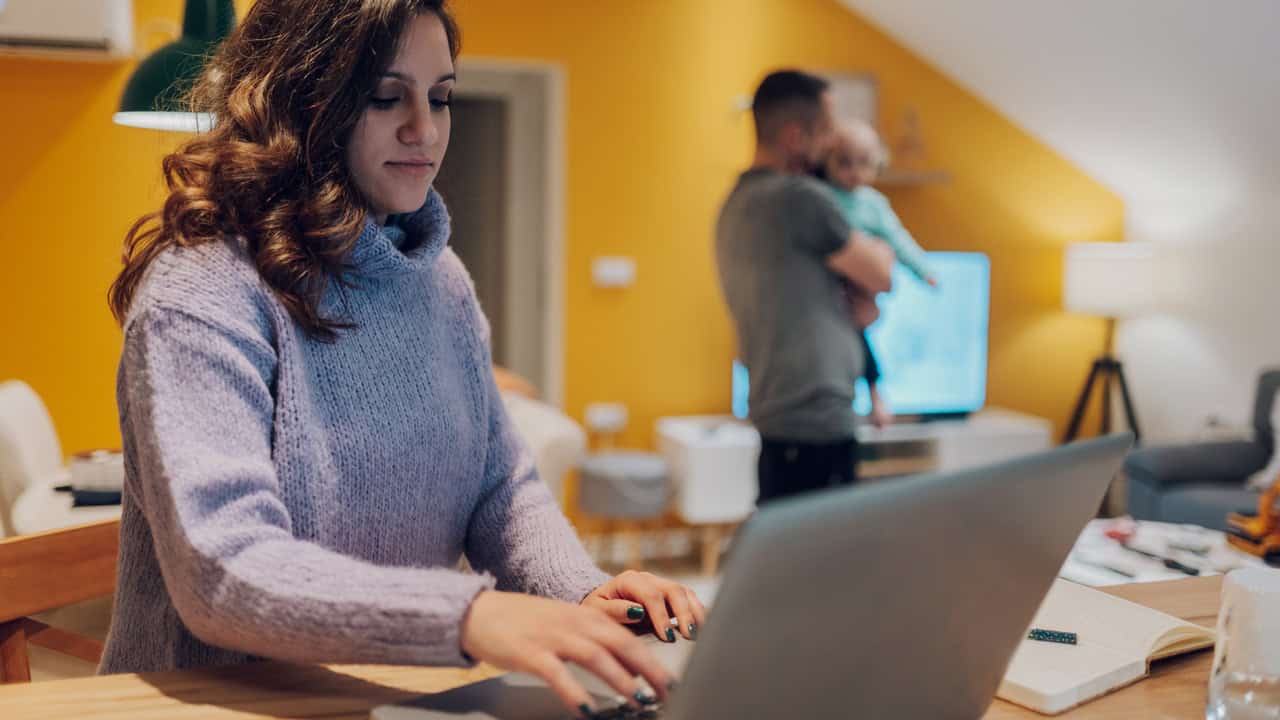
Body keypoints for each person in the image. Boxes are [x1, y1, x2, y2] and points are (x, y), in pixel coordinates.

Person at [101, 2, 701, 716]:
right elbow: (223, 570)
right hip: (213, 706)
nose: (426, 129)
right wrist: (469, 616)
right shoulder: (203, 289)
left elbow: (499, 489)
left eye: (440, 96)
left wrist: (580, 590)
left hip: (392, 700)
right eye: (388, 97)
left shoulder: (441, 283)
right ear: (303, 101)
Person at [715, 70, 895, 505]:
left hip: (778, 417)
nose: (833, 144)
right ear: (795, 136)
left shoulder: (735, 204)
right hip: (817, 420)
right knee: (830, 564)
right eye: (827, 132)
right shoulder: (800, 199)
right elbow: (881, 275)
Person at [816, 119, 939, 429]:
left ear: (877, 164)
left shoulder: (874, 205)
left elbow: (898, 239)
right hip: (826, 289)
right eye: (844, 162)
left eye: (864, 163)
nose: (854, 172)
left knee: (861, 338)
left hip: (857, 293)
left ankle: (874, 394)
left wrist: (923, 270)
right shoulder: (820, 196)